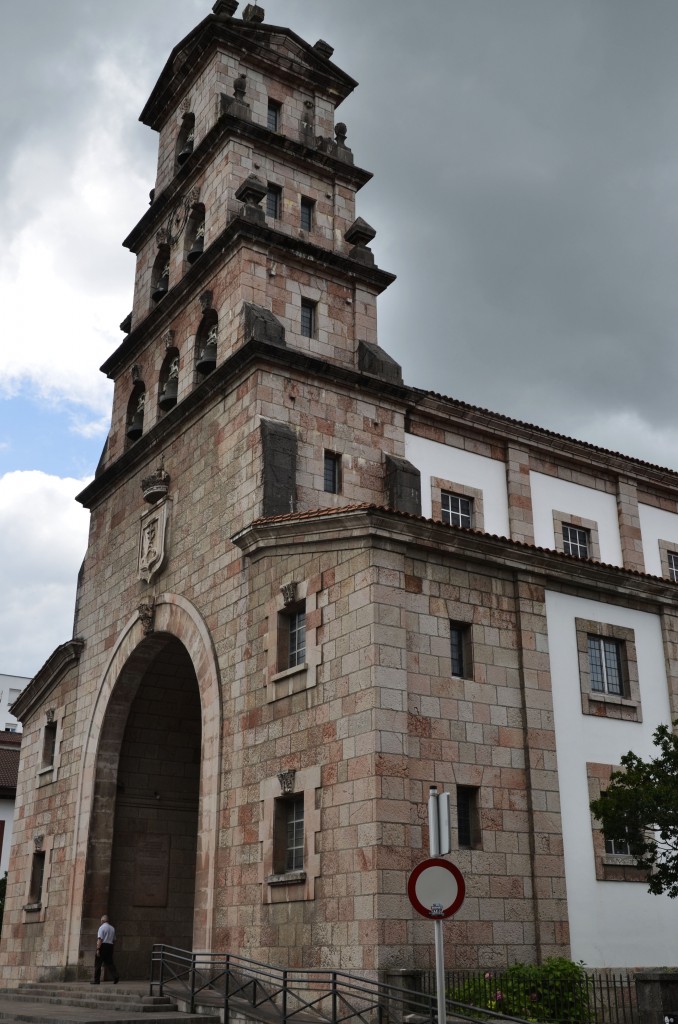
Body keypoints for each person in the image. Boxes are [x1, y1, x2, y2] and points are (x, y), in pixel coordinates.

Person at [92, 914, 119, 984]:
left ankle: (96, 980)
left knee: (98, 963)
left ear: (102, 920)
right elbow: (114, 940)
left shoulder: (101, 928)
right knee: (110, 963)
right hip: (110, 946)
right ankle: (115, 976)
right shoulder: (112, 928)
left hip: (103, 946)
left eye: (101, 920)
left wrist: (98, 949)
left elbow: (100, 939)